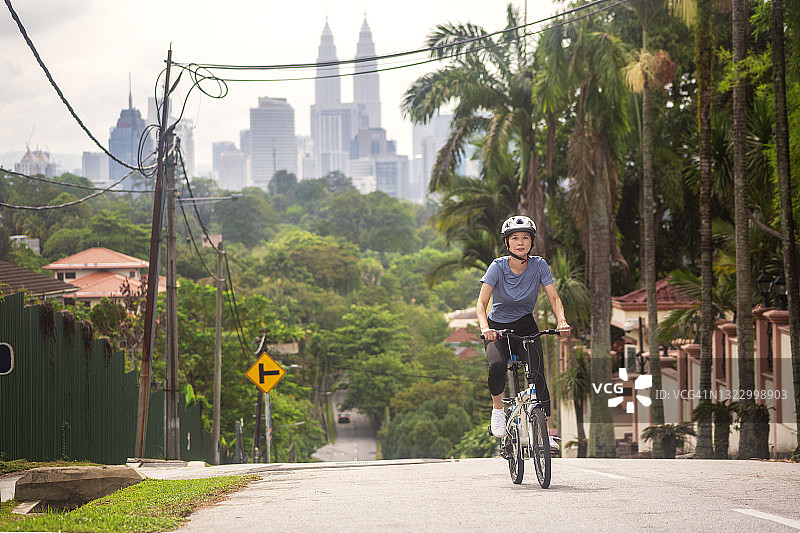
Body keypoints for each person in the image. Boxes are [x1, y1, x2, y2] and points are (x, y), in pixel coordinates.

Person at [476, 215, 571, 444]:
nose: (520, 242)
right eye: (515, 238)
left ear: (532, 241)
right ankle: (498, 411)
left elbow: (554, 297)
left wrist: (561, 321)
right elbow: (481, 304)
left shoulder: (539, 265)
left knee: (537, 373)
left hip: (525, 325)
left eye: (525, 238)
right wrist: (486, 328)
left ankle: (545, 432)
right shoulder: (497, 267)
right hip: (497, 329)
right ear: (507, 242)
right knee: (497, 366)